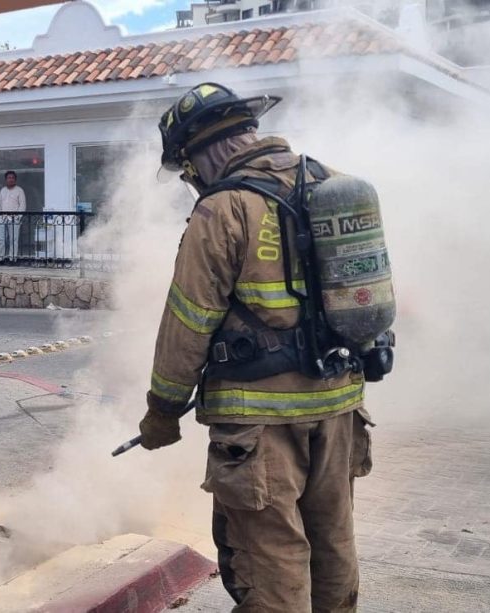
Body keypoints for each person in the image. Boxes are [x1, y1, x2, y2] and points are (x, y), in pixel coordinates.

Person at [139, 83, 384, 612]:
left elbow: (188, 321)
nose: (191, 181)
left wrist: (162, 411)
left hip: (259, 424)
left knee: (272, 560)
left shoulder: (224, 209)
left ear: (203, 151)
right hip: (341, 407)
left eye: (187, 169)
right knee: (333, 542)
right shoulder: (332, 184)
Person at [0, 170, 26, 262]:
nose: (11, 179)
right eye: (9, 178)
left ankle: (13, 259)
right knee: (1, 239)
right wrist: (0, 215)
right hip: (3, 218)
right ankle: (1, 259)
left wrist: (17, 217)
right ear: (6, 180)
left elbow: (22, 205)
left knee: (13, 240)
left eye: (12, 178)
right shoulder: (3, 190)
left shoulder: (19, 190)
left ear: (15, 179)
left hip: (14, 219)